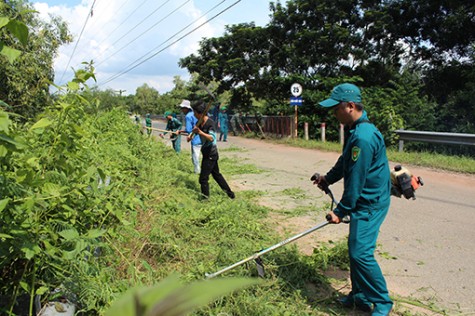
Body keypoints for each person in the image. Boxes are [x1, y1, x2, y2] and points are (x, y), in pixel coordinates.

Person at [312, 83, 393, 316]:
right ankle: (360, 295)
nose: (333, 113)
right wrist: (328, 178)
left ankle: (382, 301)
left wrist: (340, 210)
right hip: (363, 200)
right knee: (355, 249)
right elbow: (345, 161)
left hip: (370, 203)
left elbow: (356, 180)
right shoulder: (353, 129)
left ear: (349, 106)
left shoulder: (363, 138)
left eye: (335, 108)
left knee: (361, 253)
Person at [188, 101, 235, 200]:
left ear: (199, 113)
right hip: (205, 152)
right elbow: (194, 132)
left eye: (195, 112)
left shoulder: (210, 123)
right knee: (217, 175)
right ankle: (231, 195)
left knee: (203, 179)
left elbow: (211, 138)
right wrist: (189, 135)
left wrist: (200, 132)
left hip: (211, 153)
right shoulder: (199, 122)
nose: (194, 115)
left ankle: (205, 200)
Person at [178, 100, 202, 173]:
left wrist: (185, 132)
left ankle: (197, 172)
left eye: (182, 108)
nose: (182, 110)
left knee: (195, 157)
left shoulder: (188, 116)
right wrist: (181, 131)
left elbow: (189, 130)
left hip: (195, 139)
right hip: (203, 138)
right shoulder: (197, 114)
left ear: (186, 108)